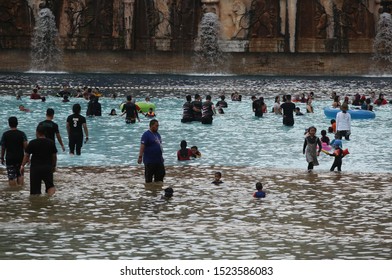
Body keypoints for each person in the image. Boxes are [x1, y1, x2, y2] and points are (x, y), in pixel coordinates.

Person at [20, 124, 57, 196]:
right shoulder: (51, 142)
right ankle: (51, 200)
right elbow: (54, 156)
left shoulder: (32, 143)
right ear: (44, 133)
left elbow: (27, 155)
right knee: (50, 186)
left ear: (37, 132)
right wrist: (53, 166)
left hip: (35, 168)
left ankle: (36, 204)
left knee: (35, 190)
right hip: (47, 167)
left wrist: (22, 165)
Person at [1, 117, 28, 187]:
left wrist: (2, 157)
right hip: (20, 158)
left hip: (10, 158)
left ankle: (13, 191)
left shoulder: (5, 134)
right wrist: (28, 157)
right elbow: (26, 147)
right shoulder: (22, 134)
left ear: (9, 124)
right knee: (20, 174)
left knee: (11, 176)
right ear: (17, 123)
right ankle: (20, 189)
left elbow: (3, 147)